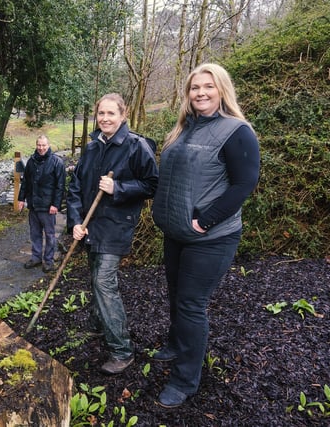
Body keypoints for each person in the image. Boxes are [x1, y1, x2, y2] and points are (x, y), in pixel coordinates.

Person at [151, 63, 260, 408]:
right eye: (195, 87)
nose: (200, 93)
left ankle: (185, 380)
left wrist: (206, 220)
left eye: (208, 87)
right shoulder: (184, 129)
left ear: (221, 90)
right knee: (175, 294)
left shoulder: (236, 131)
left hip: (211, 237)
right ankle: (175, 344)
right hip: (176, 231)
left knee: (191, 304)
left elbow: (245, 183)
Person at [67, 93, 159, 375]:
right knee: (94, 276)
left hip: (117, 225)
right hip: (90, 225)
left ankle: (122, 350)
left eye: (111, 113)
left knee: (104, 282)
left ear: (123, 115)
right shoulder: (92, 148)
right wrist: (75, 221)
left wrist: (118, 188)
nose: (105, 118)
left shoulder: (136, 146)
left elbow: (152, 184)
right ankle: (99, 325)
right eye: (101, 114)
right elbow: (74, 188)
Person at [18, 135, 66, 272]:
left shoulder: (57, 162)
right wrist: (21, 199)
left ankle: (49, 260)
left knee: (50, 235)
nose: (41, 148)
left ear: (49, 145)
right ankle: (36, 257)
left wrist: (56, 204)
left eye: (44, 145)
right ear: (36, 145)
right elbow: (25, 182)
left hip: (48, 206)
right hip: (33, 205)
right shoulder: (31, 162)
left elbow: (60, 186)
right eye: (39, 145)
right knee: (35, 234)